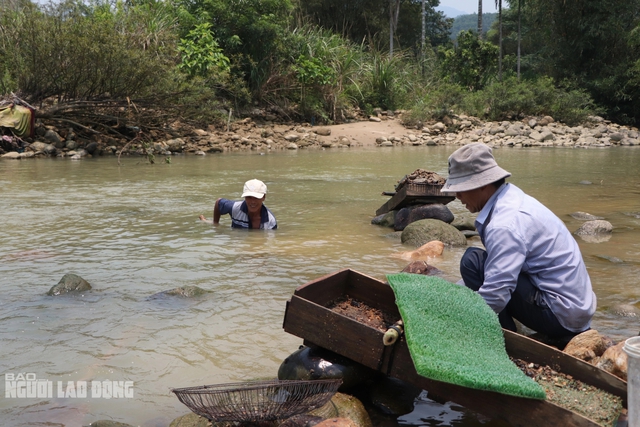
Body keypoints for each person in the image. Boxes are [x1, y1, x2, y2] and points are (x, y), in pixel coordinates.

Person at [441, 143, 596, 344]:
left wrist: (458, 322)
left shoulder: (504, 224)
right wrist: (456, 293)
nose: (457, 196)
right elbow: (496, 271)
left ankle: (503, 340)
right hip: (576, 309)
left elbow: (495, 294)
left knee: (472, 261)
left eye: (461, 189)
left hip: (561, 316)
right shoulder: (511, 196)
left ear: (482, 184)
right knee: (479, 262)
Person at [199, 179, 277, 229]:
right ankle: (203, 220)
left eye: (256, 198)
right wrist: (216, 223)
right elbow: (218, 202)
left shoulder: (270, 221)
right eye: (249, 197)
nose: (252, 202)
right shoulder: (235, 208)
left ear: (263, 197)